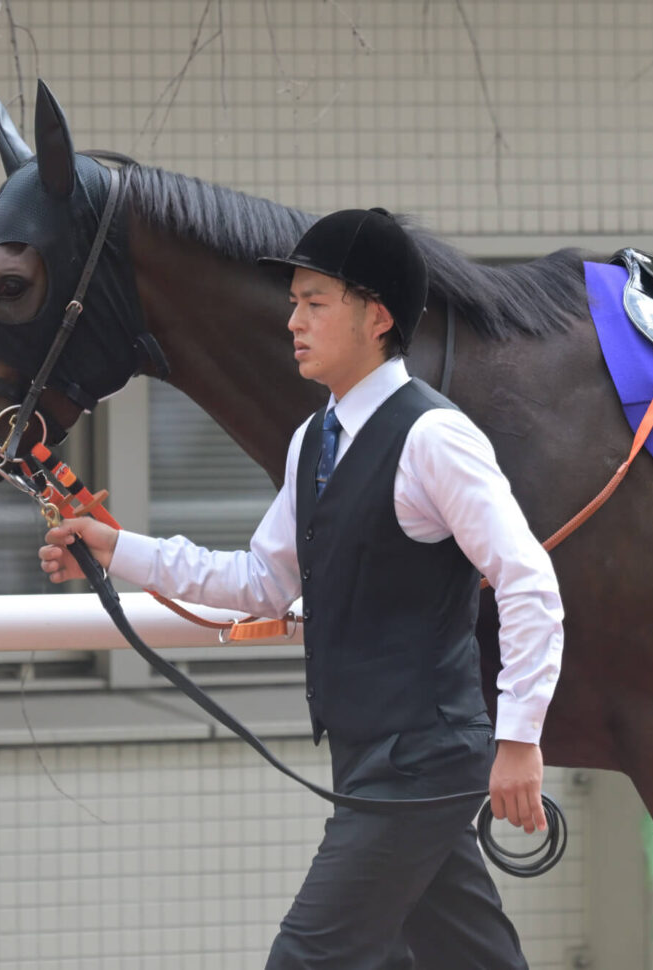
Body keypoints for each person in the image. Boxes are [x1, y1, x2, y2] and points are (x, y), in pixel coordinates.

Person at [39, 207, 564, 969]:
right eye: (294, 302)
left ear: (377, 316)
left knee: (306, 958)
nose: (293, 320)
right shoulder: (313, 439)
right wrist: (118, 548)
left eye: (315, 303)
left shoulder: (435, 438)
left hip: (419, 761)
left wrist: (520, 737)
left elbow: (528, 580)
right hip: (370, 758)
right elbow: (259, 580)